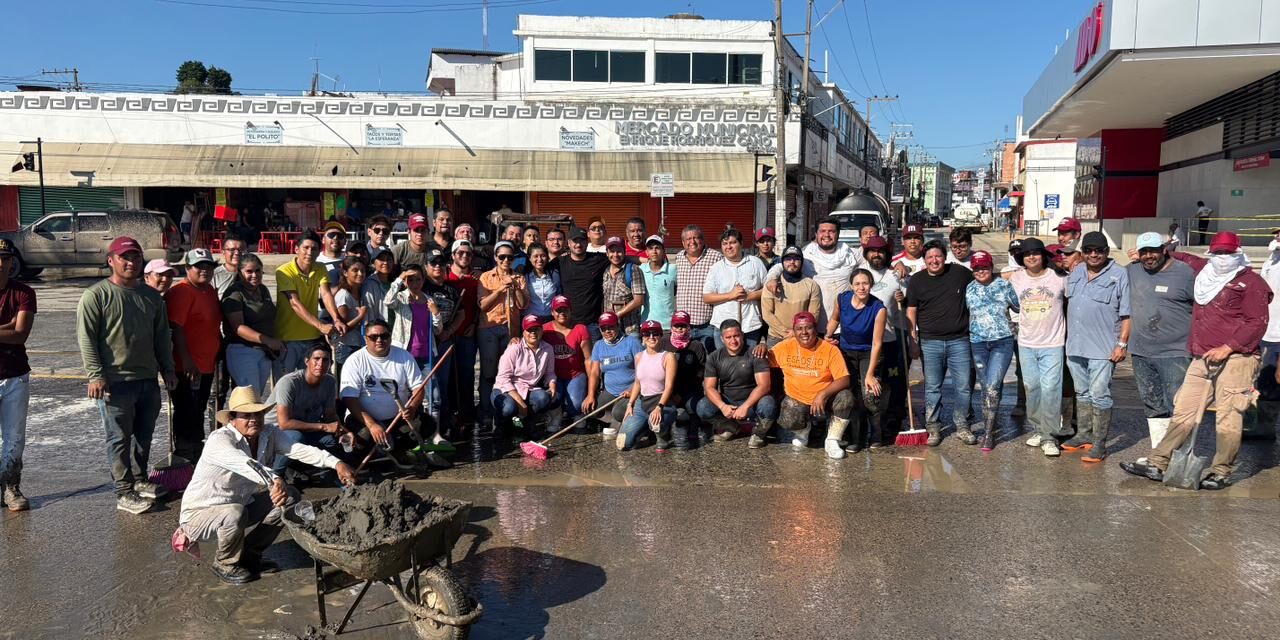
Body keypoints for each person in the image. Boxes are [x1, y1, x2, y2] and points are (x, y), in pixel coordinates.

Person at [1122, 231, 1270, 489]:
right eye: (1219, 253)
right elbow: (1182, 257)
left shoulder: (1251, 282)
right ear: (1211, 254)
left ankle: (1221, 470)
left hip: (1237, 358)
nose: (1223, 258)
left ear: (1238, 253)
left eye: (1228, 253)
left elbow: (1257, 323)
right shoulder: (1205, 272)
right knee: (1184, 410)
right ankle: (1159, 461)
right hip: (1202, 356)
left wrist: (1229, 347)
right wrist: (1149, 252)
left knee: (1229, 414)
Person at [179, 385, 355, 584]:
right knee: (233, 513)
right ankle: (225, 562)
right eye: (246, 415)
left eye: (258, 414)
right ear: (232, 419)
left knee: (290, 496)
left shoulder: (269, 433)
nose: (254, 420)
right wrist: (275, 479)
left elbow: (298, 449)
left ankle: (249, 554)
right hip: (200, 515)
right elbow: (245, 464)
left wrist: (336, 463)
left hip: (241, 506)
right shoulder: (218, 440)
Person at [77, 237, 177, 514]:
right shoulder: (95, 295)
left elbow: (161, 337)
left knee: (144, 434)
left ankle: (140, 479)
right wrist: (96, 375)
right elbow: (87, 339)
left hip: (147, 379)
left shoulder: (151, 297)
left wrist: (167, 369)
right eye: (125, 257)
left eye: (135, 257)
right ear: (111, 260)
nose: (131, 262)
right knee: (118, 437)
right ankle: (123, 491)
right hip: (115, 381)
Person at [1062, 231, 1131, 462]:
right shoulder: (1076, 271)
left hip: (1103, 348)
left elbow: (1127, 314)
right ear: (1083, 253)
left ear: (1106, 252)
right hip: (1075, 346)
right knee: (1082, 393)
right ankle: (1083, 434)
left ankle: (1100, 444)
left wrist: (1122, 344)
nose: (1094, 255)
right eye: (1089, 250)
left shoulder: (1120, 275)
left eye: (1099, 250)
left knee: (1100, 395)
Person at [1125, 232, 1194, 456]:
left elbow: (1202, 309)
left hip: (1176, 352)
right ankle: (1159, 454)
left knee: (1180, 406)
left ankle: (1181, 455)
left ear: (1164, 249)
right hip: (1140, 351)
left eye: (1153, 251)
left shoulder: (1185, 273)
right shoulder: (1132, 271)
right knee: (1152, 404)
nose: (1148, 256)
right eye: (1144, 252)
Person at [906, 240, 975, 447]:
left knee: (963, 387)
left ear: (945, 257)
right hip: (930, 342)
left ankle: (962, 425)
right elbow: (911, 311)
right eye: (929, 257)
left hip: (959, 340)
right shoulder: (917, 280)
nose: (934, 260)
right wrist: (913, 340)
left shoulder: (960, 273)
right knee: (933, 388)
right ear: (924, 260)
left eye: (938, 256)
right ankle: (933, 427)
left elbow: (982, 280)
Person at [1006, 238, 1069, 457]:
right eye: (1026, 254)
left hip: (1053, 343)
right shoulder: (1016, 278)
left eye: (1035, 253)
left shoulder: (1059, 278)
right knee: (1032, 388)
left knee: (1051, 389)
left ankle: (1050, 437)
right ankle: (1038, 428)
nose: (1031, 257)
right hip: (1026, 343)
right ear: (1021, 259)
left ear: (1043, 256)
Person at [769, 312, 853, 459]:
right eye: (799, 329)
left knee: (846, 397)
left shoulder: (829, 349)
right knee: (788, 416)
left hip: (825, 400)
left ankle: (832, 439)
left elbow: (844, 379)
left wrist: (823, 394)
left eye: (808, 328)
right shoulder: (785, 346)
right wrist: (762, 347)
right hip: (798, 399)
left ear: (815, 329)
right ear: (794, 331)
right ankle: (803, 431)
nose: (804, 333)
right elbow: (764, 359)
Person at [167, 248, 224, 464]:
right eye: (199, 266)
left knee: (198, 409)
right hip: (187, 367)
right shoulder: (181, 292)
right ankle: (184, 454)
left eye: (208, 266)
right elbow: (177, 328)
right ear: (187, 268)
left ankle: (196, 450)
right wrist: (187, 360)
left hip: (207, 364)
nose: (204, 270)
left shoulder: (209, 290)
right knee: (185, 411)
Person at [340, 320, 427, 454]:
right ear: (365, 339)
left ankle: (398, 452)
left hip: (397, 417)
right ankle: (380, 456)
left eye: (384, 336)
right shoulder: (354, 361)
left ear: (390, 337)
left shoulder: (404, 356)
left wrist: (412, 407)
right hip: (364, 419)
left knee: (427, 424)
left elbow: (418, 387)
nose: (379, 340)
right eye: (373, 337)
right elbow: (350, 399)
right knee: (363, 437)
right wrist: (372, 425)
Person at [765, 217, 865, 331]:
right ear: (816, 234)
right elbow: (780, 266)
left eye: (831, 231)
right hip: (813, 325)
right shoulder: (807, 255)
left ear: (838, 234)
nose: (827, 235)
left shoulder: (850, 254)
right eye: (822, 231)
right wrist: (772, 278)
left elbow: (870, 263)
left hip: (844, 324)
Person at [826, 269, 889, 453]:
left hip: (869, 352)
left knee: (869, 395)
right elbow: (835, 319)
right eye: (857, 284)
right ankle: (856, 437)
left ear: (871, 285)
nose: (862, 287)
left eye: (865, 283)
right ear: (852, 285)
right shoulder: (842, 299)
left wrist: (869, 374)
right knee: (851, 395)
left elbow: (877, 343)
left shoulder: (879, 308)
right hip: (847, 351)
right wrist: (828, 335)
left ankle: (876, 434)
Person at [964, 251, 1019, 452]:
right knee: (986, 385)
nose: (981, 271)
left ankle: (988, 434)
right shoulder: (969, 289)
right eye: (977, 268)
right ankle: (990, 420)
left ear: (991, 267)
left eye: (985, 267)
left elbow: (1020, 307)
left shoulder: (1004, 285)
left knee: (994, 384)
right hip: (977, 342)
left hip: (1002, 343)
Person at [273, 231, 343, 379]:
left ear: (319, 251)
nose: (310, 252)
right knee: (285, 387)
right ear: (296, 249)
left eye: (314, 248)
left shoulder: (320, 268)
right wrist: (320, 326)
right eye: (306, 248)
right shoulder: (283, 271)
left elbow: (326, 294)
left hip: (311, 338)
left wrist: (336, 318)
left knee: (309, 384)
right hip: (287, 339)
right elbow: (294, 303)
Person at [697, 319, 776, 447]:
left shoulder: (755, 353)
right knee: (703, 407)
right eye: (728, 337)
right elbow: (709, 387)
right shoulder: (714, 357)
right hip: (729, 405)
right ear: (722, 339)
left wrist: (745, 406)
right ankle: (731, 427)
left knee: (768, 404)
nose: (733, 341)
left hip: (752, 404)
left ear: (742, 335)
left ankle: (758, 434)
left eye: (736, 336)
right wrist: (722, 406)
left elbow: (764, 385)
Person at [0, 238, 35, 511]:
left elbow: (21, 333)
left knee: (14, 437)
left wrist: (14, 328)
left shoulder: (23, 292)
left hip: (15, 375)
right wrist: (7, 327)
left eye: (6, 258)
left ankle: (11, 487)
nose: (1, 264)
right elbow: (12, 330)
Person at [477, 242, 529, 424]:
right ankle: (486, 412)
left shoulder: (519, 277)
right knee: (489, 373)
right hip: (489, 328)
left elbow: (523, 305)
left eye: (510, 257)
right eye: (502, 257)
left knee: (508, 373)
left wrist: (515, 288)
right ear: (495, 258)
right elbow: (482, 305)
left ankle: (505, 412)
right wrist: (499, 290)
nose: (506, 260)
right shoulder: (485, 277)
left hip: (511, 330)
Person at [270, 345, 343, 470]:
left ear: (330, 363)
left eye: (325, 360)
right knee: (296, 438)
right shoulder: (289, 382)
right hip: (275, 430)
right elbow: (284, 423)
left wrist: (343, 431)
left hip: (305, 427)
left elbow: (330, 415)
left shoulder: (330, 382)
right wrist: (324, 427)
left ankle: (300, 469)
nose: (320, 363)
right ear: (306, 361)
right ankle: (276, 474)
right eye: (316, 359)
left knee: (331, 440)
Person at [222, 253, 281, 396]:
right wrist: (268, 340)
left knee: (257, 397)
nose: (254, 275)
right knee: (249, 398)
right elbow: (238, 327)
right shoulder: (234, 293)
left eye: (258, 271)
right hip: (242, 350)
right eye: (249, 271)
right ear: (240, 272)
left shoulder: (263, 290)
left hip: (264, 351)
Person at [493, 315, 562, 433]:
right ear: (524, 332)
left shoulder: (548, 349)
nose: (533, 333)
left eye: (536, 329)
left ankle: (524, 421)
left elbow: (550, 373)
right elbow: (503, 378)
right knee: (509, 408)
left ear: (541, 330)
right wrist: (520, 403)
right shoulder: (514, 348)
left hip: (529, 388)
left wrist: (552, 385)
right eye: (529, 330)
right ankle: (501, 422)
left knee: (544, 398)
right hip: (506, 389)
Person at [617, 320, 678, 451]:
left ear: (661, 335)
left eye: (655, 333)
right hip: (643, 401)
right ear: (642, 337)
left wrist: (659, 407)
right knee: (623, 444)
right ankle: (644, 429)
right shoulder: (639, 356)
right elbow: (638, 382)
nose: (651, 337)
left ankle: (664, 436)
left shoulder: (668, 357)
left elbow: (669, 387)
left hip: (661, 401)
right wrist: (630, 404)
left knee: (656, 423)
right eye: (646, 334)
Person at [422, 252, 464, 443]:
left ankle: (443, 428)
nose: (437, 266)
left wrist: (449, 331)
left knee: (443, 386)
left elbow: (461, 314)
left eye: (440, 263)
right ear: (426, 266)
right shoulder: (422, 286)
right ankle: (427, 430)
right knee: (430, 388)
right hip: (427, 343)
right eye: (433, 263)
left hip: (445, 340)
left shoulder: (452, 289)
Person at [704, 228, 767, 349]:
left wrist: (750, 296)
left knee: (748, 365)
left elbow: (768, 290)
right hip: (723, 327)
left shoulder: (756, 263)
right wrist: (730, 295)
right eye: (725, 244)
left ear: (741, 244)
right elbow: (707, 297)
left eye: (733, 242)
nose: (729, 247)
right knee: (725, 365)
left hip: (749, 327)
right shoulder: (716, 268)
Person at [584, 312, 643, 435]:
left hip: (630, 390)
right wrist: (590, 395)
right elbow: (594, 373)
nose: (607, 331)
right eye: (604, 328)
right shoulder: (598, 346)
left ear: (617, 326)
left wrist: (633, 390)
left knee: (619, 412)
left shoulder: (631, 342)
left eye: (611, 327)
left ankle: (635, 423)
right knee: (589, 409)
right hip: (611, 390)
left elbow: (642, 370)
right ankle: (618, 422)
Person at [446, 240, 481, 432]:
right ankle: (451, 415)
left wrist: (474, 324)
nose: (465, 256)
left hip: (467, 333)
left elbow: (478, 305)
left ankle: (467, 416)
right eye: (460, 253)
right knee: (449, 376)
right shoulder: (444, 276)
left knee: (467, 376)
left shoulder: (475, 279)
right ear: (453, 255)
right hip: (447, 334)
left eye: (468, 253)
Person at [660, 311, 709, 443]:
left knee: (694, 406)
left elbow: (700, 374)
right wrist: (672, 393)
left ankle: (694, 426)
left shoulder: (697, 346)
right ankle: (663, 431)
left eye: (683, 326)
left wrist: (681, 394)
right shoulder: (663, 343)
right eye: (676, 326)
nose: (680, 329)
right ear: (671, 327)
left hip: (690, 390)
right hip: (668, 390)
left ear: (689, 327)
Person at [674, 225, 724, 350]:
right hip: (683, 325)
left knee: (708, 360)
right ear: (683, 242)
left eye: (696, 238)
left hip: (706, 325)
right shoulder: (679, 257)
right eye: (689, 239)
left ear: (703, 239)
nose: (693, 242)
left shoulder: (716, 257)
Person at [543, 296, 592, 423]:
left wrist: (592, 388)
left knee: (576, 405)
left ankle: (575, 412)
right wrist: (514, 340)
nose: (562, 313)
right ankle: (556, 412)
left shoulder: (580, 329)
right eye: (558, 310)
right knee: (553, 399)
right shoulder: (544, 330)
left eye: (565, 310)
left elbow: (588, 359)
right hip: (554, 376)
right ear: (552, 312)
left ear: (570, 311)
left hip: (575, 375)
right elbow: (528, 341)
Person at [761, 246, 822, 346]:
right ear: (782, 262)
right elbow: (767, 313)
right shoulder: (771, 284)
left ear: (802, 262)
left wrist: (797, 332)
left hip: (802, 336)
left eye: (796, 259)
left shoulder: (812, 285)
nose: (792, 262)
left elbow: (814, 314)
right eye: (788, 259)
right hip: (776, 337)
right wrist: (785, 332)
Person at [557, 230, 610, 340]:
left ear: (587, 242)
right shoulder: (559, 262)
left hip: (593, 324)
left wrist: (646, 259)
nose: (578, 244)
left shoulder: (598, 259)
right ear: (569, 243)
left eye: (582, 240)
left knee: (592, 357)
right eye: (575, 241)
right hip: (569, 323)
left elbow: (621, 257)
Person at [603, 236, 647, 335]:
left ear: (624, 252)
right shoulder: (605, 271)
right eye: (612, 251)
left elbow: (639, 300)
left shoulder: (633, 270)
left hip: (630, 329)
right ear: (607, 253)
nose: (615, 255)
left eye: (619, 251)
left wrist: (616, 315)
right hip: (610, 330)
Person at [333, 257, 369, 367]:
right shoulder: (344, 295)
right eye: (355, 270)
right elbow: (342, 329)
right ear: (345, 273)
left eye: (362, 270)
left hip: (357, 344)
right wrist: (361, 316)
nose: (360, 274)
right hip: (346, 347)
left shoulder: (359, 292)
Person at [640, 235, 677, 325]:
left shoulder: (673, 269)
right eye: (651, 248)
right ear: (646, 252)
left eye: (657, 248)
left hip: (667, 325)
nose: (654, 251)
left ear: (664, 251)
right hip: (646, 323)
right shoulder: (640, 270)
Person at [525, 243, 560, 320]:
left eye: (543, 256)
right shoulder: (525, 277)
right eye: (536, 256)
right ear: (529, 258)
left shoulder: (555, 275)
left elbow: (558, 295)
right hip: (530, 320)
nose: (540, 259)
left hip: (550, 318)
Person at [362, 248, 396, 325]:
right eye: (381, 259)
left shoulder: (395, 283)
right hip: (379, 332)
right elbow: (369, 313)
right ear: (373, 263)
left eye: (389, 259)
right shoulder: (369, 284)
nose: (385, 263)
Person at [212, 233, 246, 297]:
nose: (237, 253)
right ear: (223, 252)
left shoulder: (250, 273)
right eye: (232, 250)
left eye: (240, 250)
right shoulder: (214, 275)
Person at [317, 222, 347, 286]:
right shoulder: (315, 261)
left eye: (340, 236)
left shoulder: (349, 260)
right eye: (331, 235)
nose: (335, 238)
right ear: (323, 240)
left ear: (345, 241)